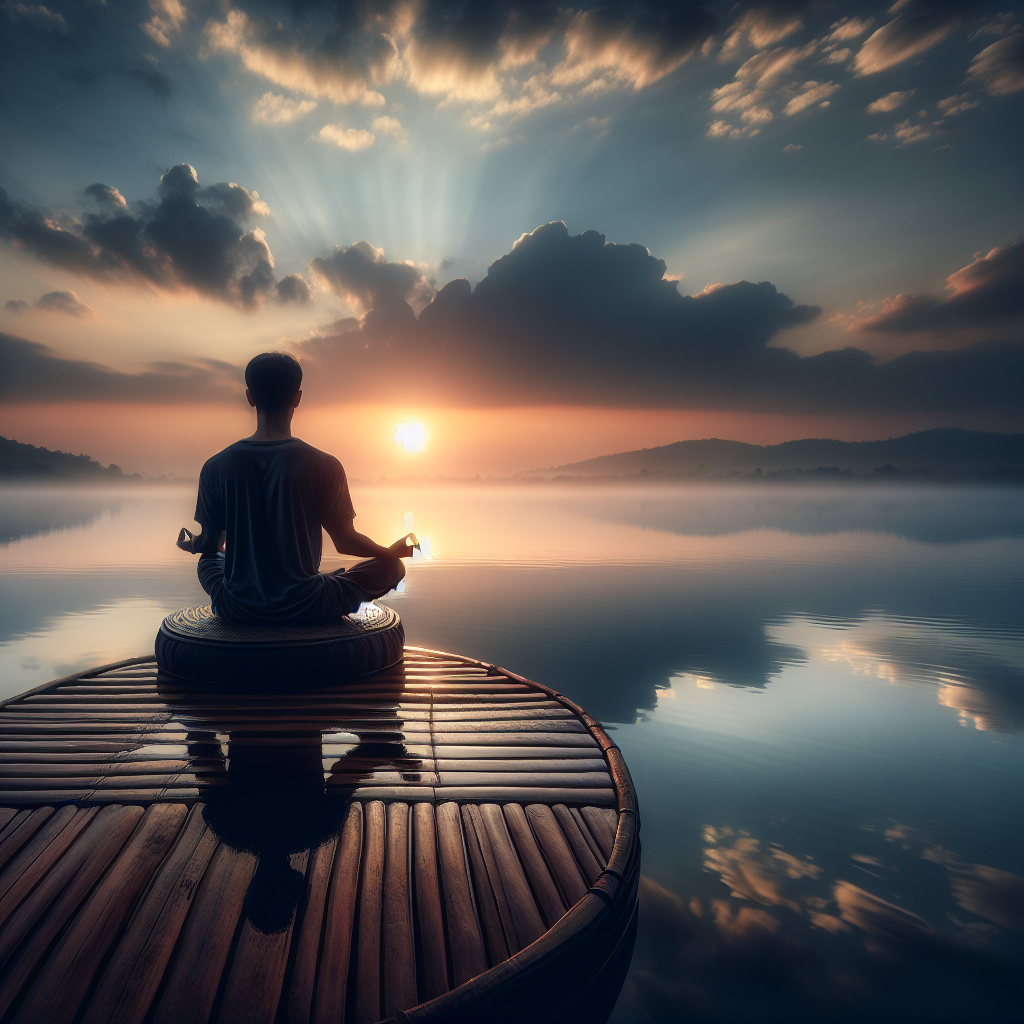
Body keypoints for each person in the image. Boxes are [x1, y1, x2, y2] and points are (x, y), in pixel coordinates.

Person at [175, 351, 413, 624]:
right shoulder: (325, 465)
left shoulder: (215, 466)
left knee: (209, 559)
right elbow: (345, 542)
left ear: (249, 397)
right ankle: (323, 581)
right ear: (298, 398)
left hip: (238, 607)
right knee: (393, 567)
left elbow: (211, 542)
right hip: (310, 604)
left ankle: (313, 583)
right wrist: (389, 552)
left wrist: (191, 544)